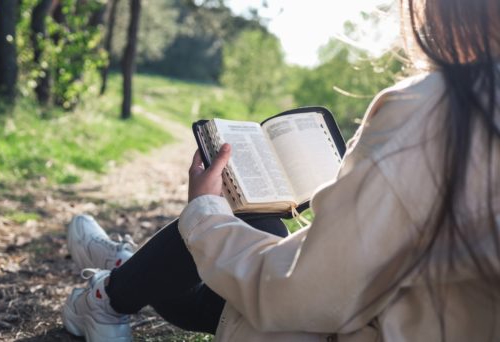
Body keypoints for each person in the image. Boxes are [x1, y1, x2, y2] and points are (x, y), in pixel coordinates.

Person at [62, 0, 500, 340]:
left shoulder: (436, 109)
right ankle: (127, 269)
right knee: (260, 220)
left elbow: (305, 293)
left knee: (230, 222)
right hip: (383, 309)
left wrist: (205, 212)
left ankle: (110, 293)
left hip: (340, 319)